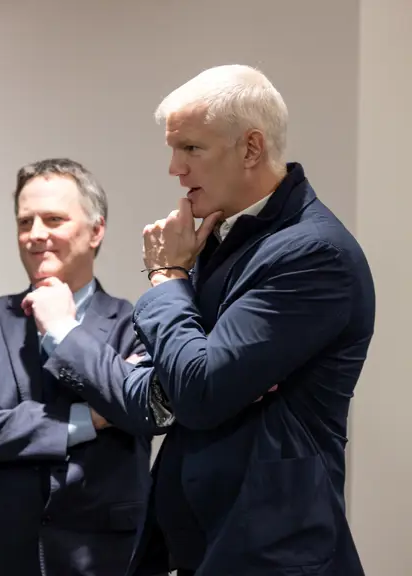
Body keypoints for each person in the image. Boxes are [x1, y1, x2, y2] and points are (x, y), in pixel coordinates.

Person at [35, 65, 375, 575]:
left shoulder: (312, 252)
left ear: (252, 148)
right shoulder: (219, 240)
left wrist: (167, 276)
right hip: (203, 546)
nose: (175, 168)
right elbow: (158, 400)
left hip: (271, 553)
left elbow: (198, 389)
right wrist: (193, 373)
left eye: (191, 148)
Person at [0, 158, 154, 576]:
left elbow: (144, 409)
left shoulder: (139, 325)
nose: (36, 234)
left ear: (96, 231)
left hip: (105, 556)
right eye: (26, 222)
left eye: (53, 219)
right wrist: (90, 418)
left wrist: (62, 328)